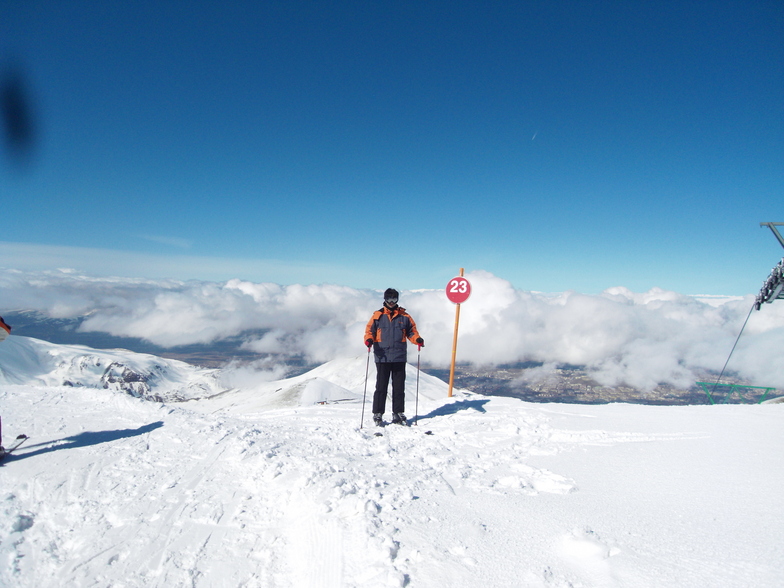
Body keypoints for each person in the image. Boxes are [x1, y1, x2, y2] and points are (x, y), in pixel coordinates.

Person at [364, 288, 424, 426]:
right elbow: (369, 331)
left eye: (394, 299)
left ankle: (398, 412)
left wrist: (417, 339)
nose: (391, 302)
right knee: (381, 386)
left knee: (398, 387)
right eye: (389, 299)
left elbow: (411, 332)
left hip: (399, 356)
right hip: (382, 356)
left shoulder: (405, 317)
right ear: (384, 299)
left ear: (397, 300)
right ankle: (378, 413)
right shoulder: (377, 316)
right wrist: (369, 340)